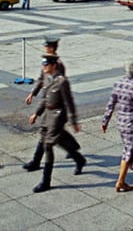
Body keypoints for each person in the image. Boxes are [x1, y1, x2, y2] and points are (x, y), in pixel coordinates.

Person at [28, 56, 86, 192]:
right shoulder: (48, 78)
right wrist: (36, 114)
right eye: (43, 65)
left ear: (54, 65)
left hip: (57, 116)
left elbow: (69, 102)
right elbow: (44, 99)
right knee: (49, 140)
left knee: (48, 146)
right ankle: (79, 159)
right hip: (47, 116)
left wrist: (74, 121)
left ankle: (46, 182)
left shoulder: (62, 82)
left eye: (46, 64)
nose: (44, 67)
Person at [101, 62, 133, 192]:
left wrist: (105, 121)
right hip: (131, 124)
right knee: (128, 151)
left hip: (121, 121)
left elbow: (111, 104)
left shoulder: (118, 83)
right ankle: (120, 181)